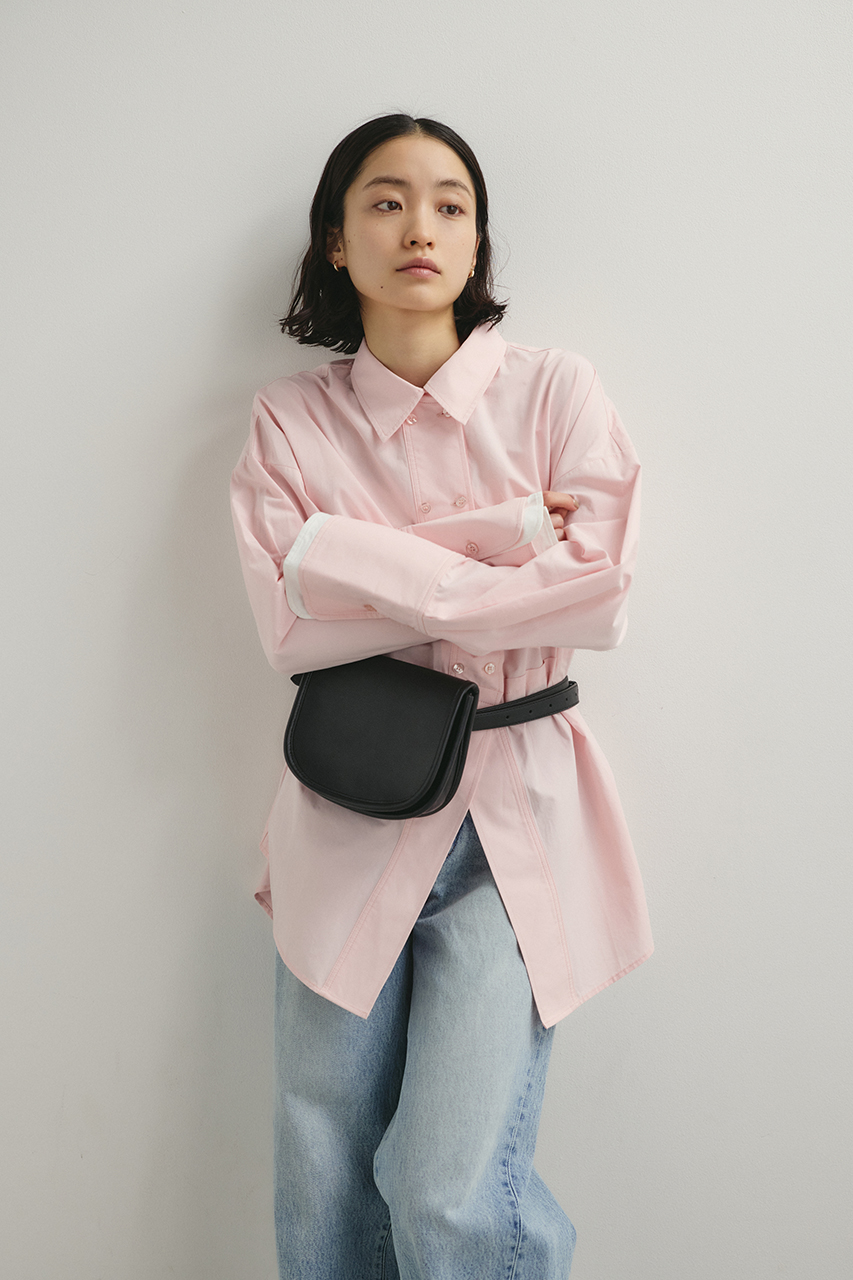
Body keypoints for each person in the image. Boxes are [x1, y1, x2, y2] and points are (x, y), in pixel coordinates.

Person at [230, 113, 653, 1280]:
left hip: (516, 818)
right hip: (344, 810)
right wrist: (506, 541)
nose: (420, 225)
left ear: (476, 242)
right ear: (335, 239)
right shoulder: (288, 419)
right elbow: (288, 627)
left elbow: (600, 595)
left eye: (450, 204)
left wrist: (350, 559)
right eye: (386, 200)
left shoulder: (554, 390)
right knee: (321, 1170)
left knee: (447, 1192)